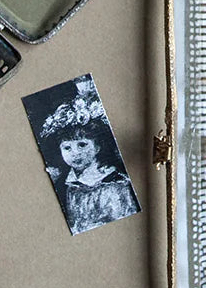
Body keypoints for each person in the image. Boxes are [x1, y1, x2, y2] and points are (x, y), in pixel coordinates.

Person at [40, 88, 139, 235]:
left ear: (98, 146)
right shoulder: (64, 183)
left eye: (82, 145)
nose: (75, 153)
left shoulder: (115, 182)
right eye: (67, 148)